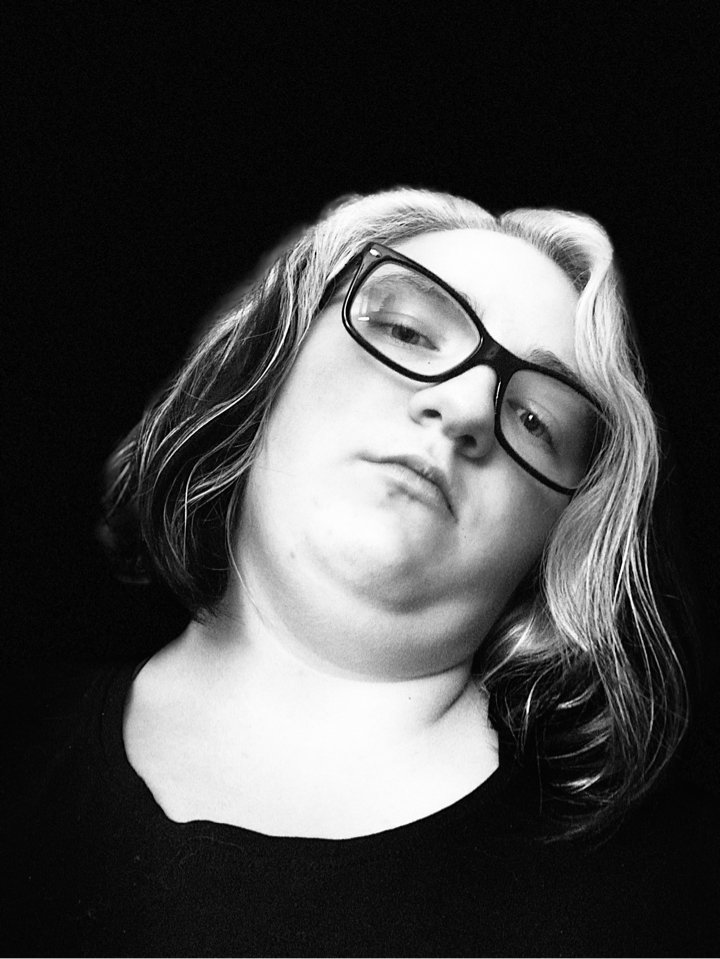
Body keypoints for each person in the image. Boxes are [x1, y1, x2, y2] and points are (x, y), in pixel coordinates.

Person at [13, 187, 719, 956]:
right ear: (269, 366)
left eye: (535, 419)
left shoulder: (669, 897)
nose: (464, 407)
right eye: (409, 331)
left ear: (555, 539)